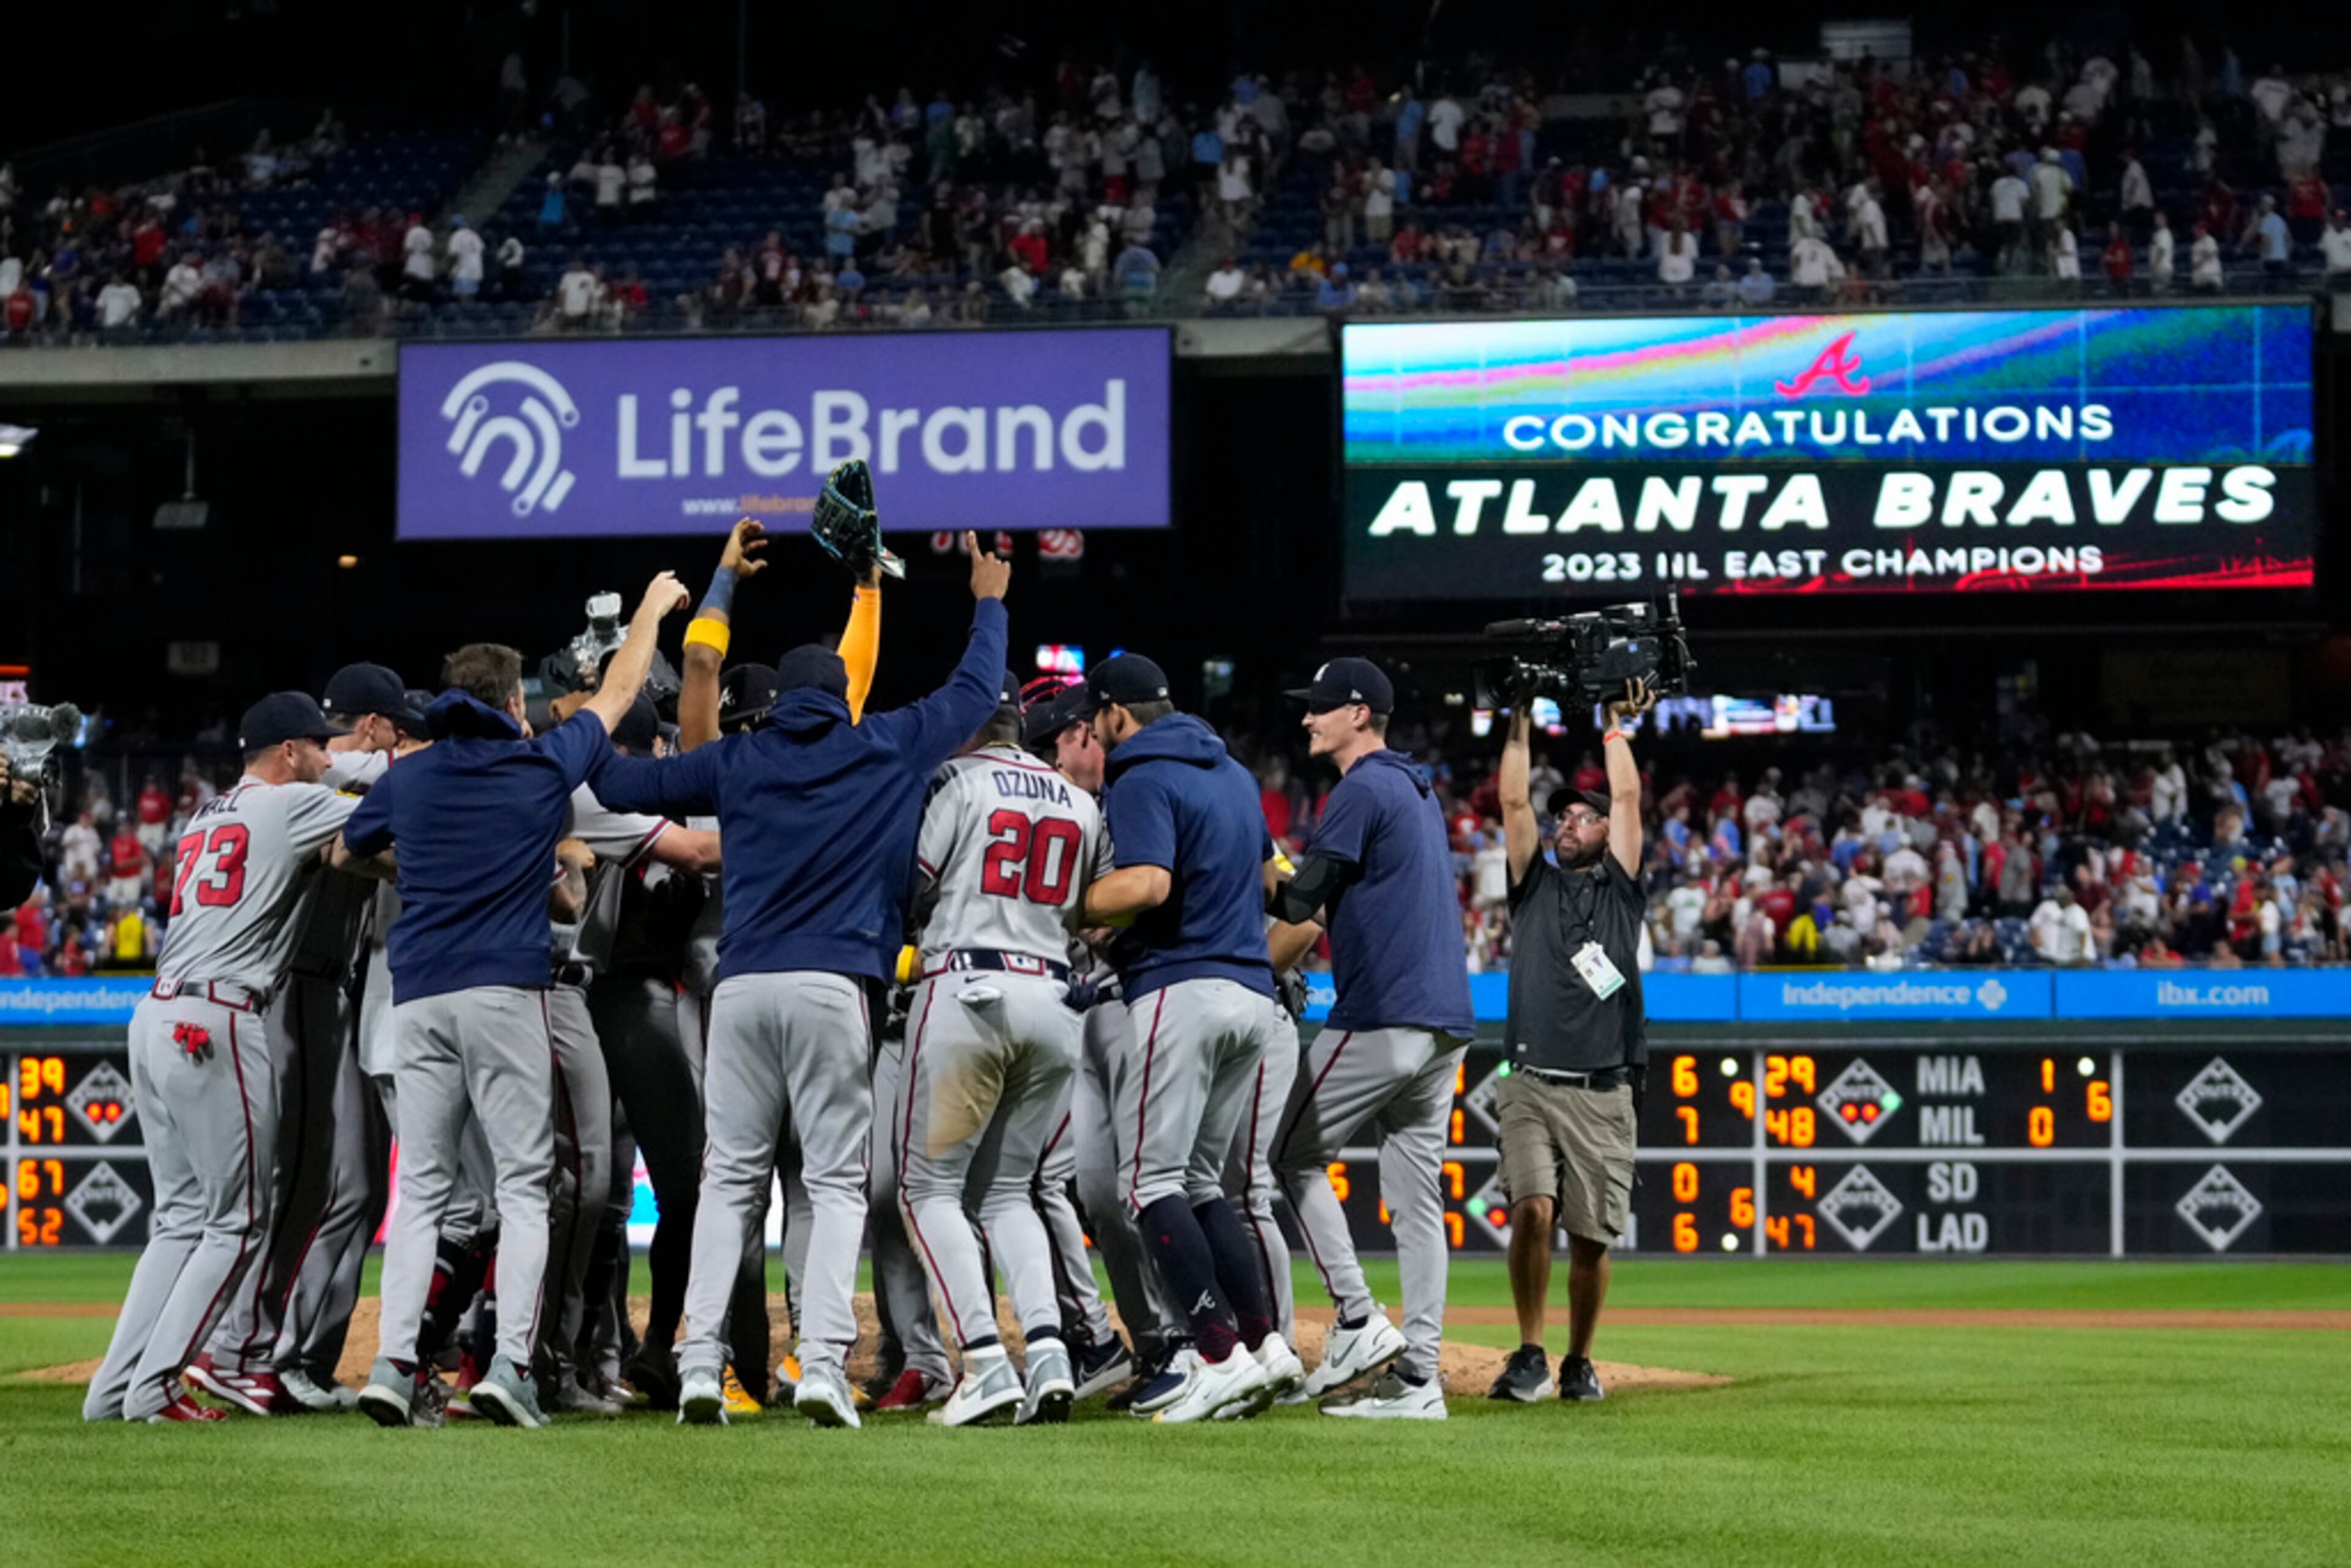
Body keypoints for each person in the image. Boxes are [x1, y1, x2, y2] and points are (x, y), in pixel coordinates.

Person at [587, 531, 1009, 1430]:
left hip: (739, 989)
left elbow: (622, 782)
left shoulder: (739, 758)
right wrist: (989, 600)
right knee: (830, 1184)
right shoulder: (881, 745)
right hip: (833, 986)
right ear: (842, 700)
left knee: (728, 1181)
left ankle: (699, 1365)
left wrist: (586, 724)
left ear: (776, 703)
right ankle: (819, 1363)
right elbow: (975, 694)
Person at [349, 571, 686, 1430]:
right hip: (504, 987)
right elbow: (616, 694)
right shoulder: (539, 764)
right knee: (527, 1186)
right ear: (507, 701)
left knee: (421, 1189)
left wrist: (420, 872)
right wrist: (649, 609)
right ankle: (510, 1367)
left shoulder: (411, 776)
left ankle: (393, 1366)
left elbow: (350, 849)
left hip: (418, 995)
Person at [83, 693, 359, 1423]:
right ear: (290, 751)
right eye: (320, 747)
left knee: (178, 1218)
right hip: (218, 1016)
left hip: (156, 1014)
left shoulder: (206, 813)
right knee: (237, 1221)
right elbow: (392, 806)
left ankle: (112, 1390)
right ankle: (157, 1385)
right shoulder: (291, 803)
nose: (329, 759)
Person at [1069, 655, 1303, 1424]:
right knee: (1205, 1184)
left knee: (1150, 1184)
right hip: (1252, 994)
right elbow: (1282, 888)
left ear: (1114, 714)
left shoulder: (1138, 772)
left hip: (1182, 985)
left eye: (1098, 717)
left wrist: (1067, 907)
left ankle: (1213, 1352)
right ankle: (1266, 1345)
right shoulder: (1235, 774)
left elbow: (1147, 885)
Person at [890, 671, 1108, 1426]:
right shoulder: (1080, 800)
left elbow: (910, 888)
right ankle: (1047, 1349)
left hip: (969, 989)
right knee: (1009, 1191)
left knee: (929, 1189)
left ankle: (983, 1360)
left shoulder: (957, 779)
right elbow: (1099, 912)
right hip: (1054, 997)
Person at [1267, 658, 1474, 1420]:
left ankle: (1356, 1316)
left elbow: (1298, 896)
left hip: (1385, 1013)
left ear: (1358, 713)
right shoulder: (1415, 788)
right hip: (1447, 1023)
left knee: (1284, 1153)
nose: (1307, 719)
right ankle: (1420, 1376)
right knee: (1418, 1203)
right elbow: (1324, 907)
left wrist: (1237, 870)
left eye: (1320, 707)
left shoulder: (1360, 787)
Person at [1487, 677, 1655, 1406]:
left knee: (1591, 1237)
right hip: (1530, 1081)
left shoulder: (1620, 889)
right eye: (1566, 818)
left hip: (1603, 1088)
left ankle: (1579, 1359)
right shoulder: (1533, 886)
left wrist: (1614, 727)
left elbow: (1628, 801)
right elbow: (1513, 801)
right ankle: (1529, 1349)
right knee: (1532, 1207)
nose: (1568, 824)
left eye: (1582, 818)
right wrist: (1520, 720)